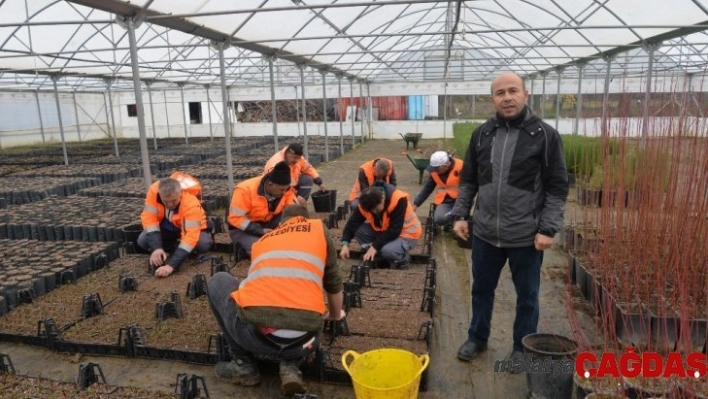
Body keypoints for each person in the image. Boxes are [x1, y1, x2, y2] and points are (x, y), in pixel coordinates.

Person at [451, 72, 569, 366]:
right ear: (492, 99)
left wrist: (548, 228)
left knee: (527, 295)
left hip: (526, 235)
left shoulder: (544, 135)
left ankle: (522, 346)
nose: (507, 97)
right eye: (500, 93)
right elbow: (468, 180)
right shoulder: (482, 134)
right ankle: (477, 337)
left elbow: (557, 186)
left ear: (525, 94)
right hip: (486, 232)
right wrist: (461, 215)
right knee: (480, 289)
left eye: (512, 91)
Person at [207, 204, 345, 396]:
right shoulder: (318, 229)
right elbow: (333, 282)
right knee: (302, 308)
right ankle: (290, 365)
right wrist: (336, 314)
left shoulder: (263, 240)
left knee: (219, 280)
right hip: (307, 342)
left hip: (255, 339)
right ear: (305, 218)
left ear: (281, 223)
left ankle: (243, 366)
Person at [138, 176, 213, 277]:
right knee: (143, 240)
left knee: (202, 244)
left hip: (191, 229)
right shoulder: (153, 192)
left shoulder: (190, 203)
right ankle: (174, 248)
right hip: (169, 226)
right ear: (160, 194)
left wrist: (171, 265)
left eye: (174, 201)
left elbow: (190, 237)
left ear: (180, 193)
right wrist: (156, 248)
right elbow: (149, 219)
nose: (170, 204)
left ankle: (178, 251)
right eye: (166, 201)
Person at [339, 184, 422, 269]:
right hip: (385, 232)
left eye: (375, 208)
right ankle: (379, 256)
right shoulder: (366, 204)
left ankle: (402, 259)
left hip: (407, 234)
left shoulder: (398, 199)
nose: (374, 211)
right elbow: (352, 224)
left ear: (382, 199)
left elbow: (395, 230)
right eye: (371, 209)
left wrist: (375, 246)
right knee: (358, 230)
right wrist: (345, 244)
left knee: (388, 251)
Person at [227, 160, 298, 257]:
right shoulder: (244, 190)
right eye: (281, 190)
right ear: (270, 185)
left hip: (268, 222)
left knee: (287, 241)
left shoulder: (286, 190)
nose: (284, 192)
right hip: (242, 228)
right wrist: (261, 231)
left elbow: (294, 211)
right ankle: (244, 249)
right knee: (262, 249)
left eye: (286, 189)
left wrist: (288, 226)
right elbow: (235, 219)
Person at [411, 151, 464, 229]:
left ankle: (459, 219)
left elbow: (469, 187)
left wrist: (463, 204)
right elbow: (427, 188)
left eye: (437, 169)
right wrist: (416, 204)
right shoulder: (434, 172)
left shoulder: (461, 166)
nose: (435, 171)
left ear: (445, 165)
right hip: (445, 201)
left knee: (460, 219)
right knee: (440, 219)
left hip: (461, 200)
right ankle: (451, 220)